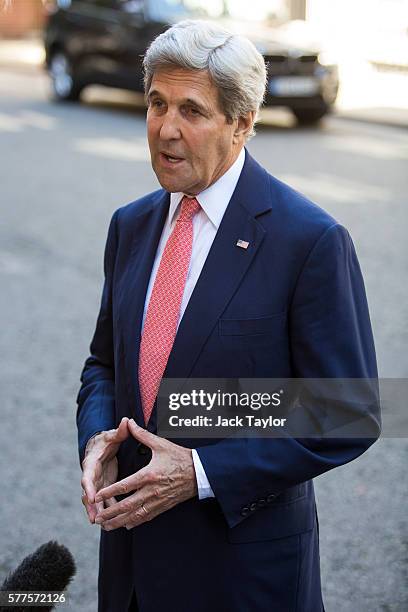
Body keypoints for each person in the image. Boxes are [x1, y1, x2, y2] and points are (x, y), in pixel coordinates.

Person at [77, 19, 380, 612]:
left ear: (242, 124)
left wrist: (201, 471)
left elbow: (347, 407)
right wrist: (96, 438)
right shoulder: (131, 224)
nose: (165, 129)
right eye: (156, 103)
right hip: (133, 571)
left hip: (243, 577)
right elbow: (103, 364)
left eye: (191, 110)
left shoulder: (309, 240)